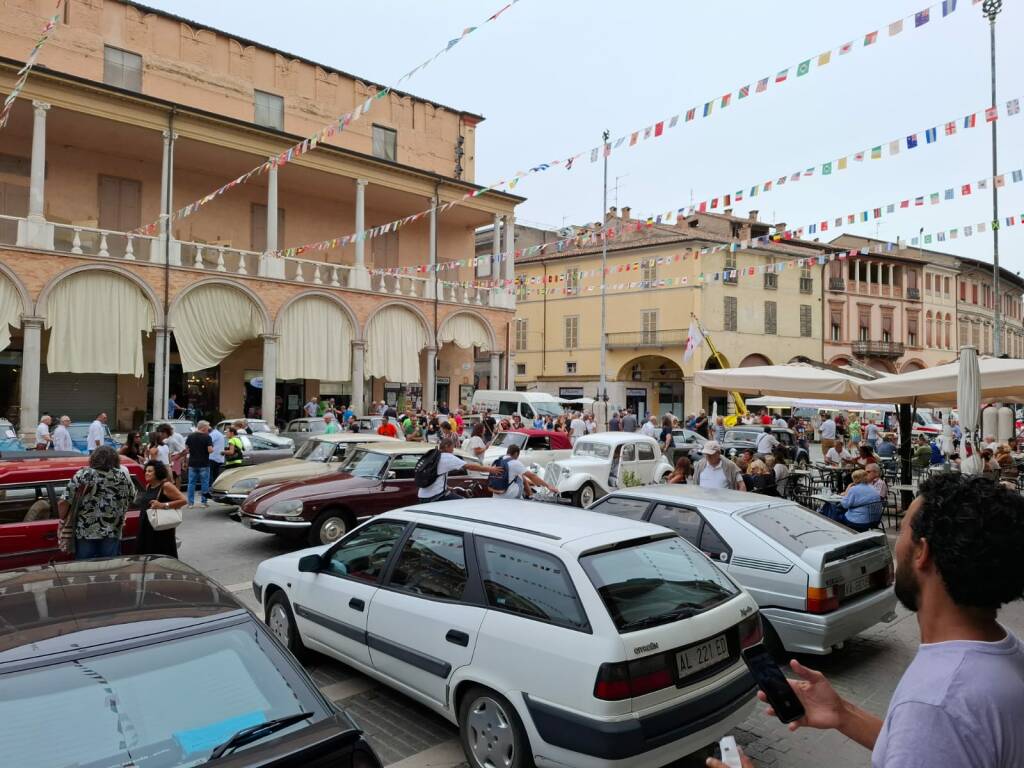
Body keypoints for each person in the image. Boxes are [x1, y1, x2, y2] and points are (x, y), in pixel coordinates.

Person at [711, 473, 1024, 768]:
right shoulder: (1002, 652)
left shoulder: (937, 703)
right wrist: (843, 713)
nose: (897, 544)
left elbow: (929, 738)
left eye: (902, 531)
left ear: (922, 553)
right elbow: (923, 749)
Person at [57, 446, 134, 559]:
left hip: (85, 530)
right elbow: (131, 497)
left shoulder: (83, 474)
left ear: (93, 459)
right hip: (112, 530)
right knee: (110, 566)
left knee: (86, 567)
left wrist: (63, 518)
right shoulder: (122, 476)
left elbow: (63, 502)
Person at [417, 438, 499, 502]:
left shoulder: (434, 455)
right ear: (446, 446)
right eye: (452, 447)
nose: (453, 450)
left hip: (422, 495)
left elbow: (435, 474)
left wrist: (447, 487)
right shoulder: (447, 457)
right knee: (462, 503)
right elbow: (469, 466)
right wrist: (490, 469)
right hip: (435, 496)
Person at [135, 460, 186, 557]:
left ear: (158, 472)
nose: (146, 473)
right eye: (146, 471)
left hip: (160, 529)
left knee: (160, 556)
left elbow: (183, 501)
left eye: (150, 471)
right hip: (147, 526)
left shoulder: (166, 486)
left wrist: (163, 505)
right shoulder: (149, 486)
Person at [490, 444, 559, 498]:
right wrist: (548, 485)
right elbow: (532, 476)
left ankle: (530, 494)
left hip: (496, 494)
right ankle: (530, 496)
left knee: (520, 475)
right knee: (521, 477)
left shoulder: (497, 461)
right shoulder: (514, 462)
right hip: (508, 497)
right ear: (516, 454)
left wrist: (532, 483)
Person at [184, 420, 214, 507]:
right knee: (204, 483)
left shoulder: (190, 436)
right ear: (203, 427)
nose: (208, 429)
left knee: (191, 483)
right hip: (204, 463)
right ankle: (203, 502)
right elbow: (210, 450)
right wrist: (213, 449)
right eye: (208, 427)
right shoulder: (207, 437)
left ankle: (190, 503)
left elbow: (187, 449)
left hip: (192, 463)